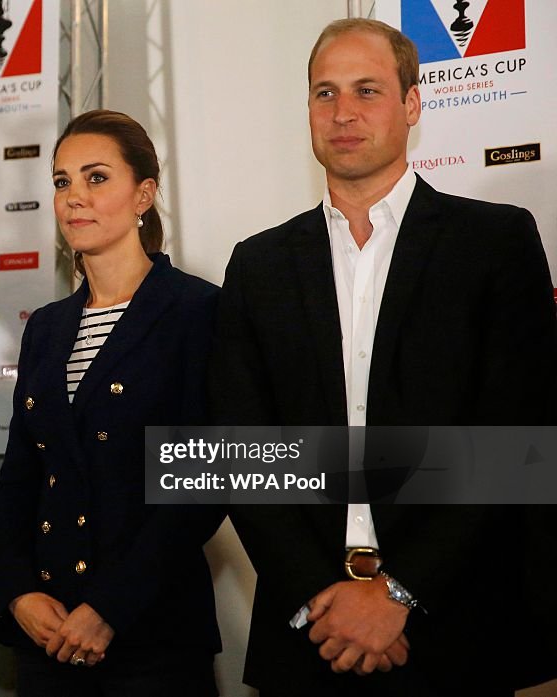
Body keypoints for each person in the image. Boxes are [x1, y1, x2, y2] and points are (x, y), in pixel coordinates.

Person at [211, 19, 557, 697]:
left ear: (412, 105)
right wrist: (324, 595)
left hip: (454, 630)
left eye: (367, 90)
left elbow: (517, 441)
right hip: (309, 637)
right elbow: (239, 452)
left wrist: (398, 592)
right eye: (324, 93)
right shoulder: (258, 266)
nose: (343, 113)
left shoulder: (494, 243)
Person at [0, 109, 223, 696]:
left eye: (96, 178)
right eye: (62, 181)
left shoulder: (197, 312)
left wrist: (110, 606)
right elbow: (21, 477)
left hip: (152, 636)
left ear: (143, 194)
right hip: (48, 634)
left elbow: (203, 484)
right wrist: (18, 592)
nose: (74, 198)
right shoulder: (46, 327)